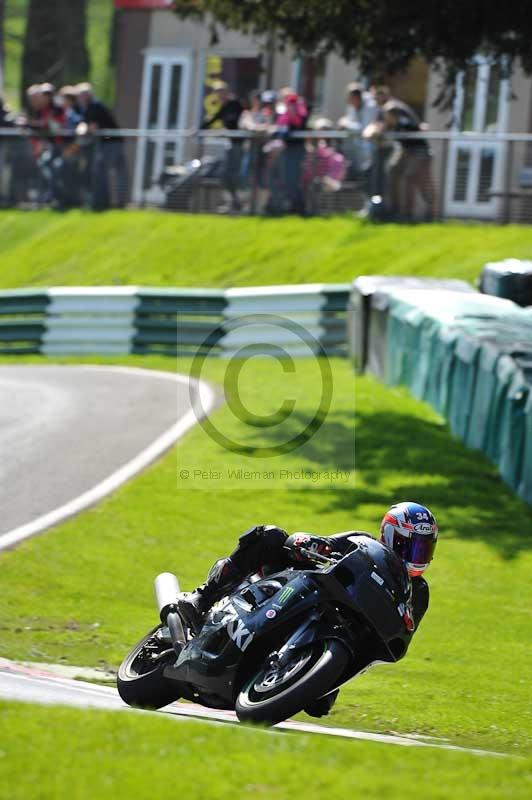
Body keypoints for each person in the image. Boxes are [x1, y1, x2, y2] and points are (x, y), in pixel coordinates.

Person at [177, 501, 438, 717]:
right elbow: (325, 543)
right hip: (309, 591)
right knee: (270, 536)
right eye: (412, 545)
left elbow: (402, 631)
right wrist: (311, 543)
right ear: (389, 535)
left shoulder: (419, 592)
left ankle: (308, 673)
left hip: (346, 638)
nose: (418, 554)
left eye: (424, 547)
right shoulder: (363, 542)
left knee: (320, 705)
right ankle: (203, 596)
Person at [76, 82, 128, 210]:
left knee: (101, 171)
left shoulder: (94, 106)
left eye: (81, 96)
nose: (79, 99)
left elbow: (91, 127)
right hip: (108, 142)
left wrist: (80, 132)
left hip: (111, 142)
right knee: (104, 171)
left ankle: (106, 202)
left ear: (88, 95)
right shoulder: (89, 107)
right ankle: (111, 202)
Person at [202, 80, 244, 213]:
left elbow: (233, 121)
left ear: (226, 92)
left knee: (233, 174)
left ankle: (237, 203)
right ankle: (233, 202)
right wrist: (199, 129)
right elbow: (213, 119)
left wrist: (223, 130)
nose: (218, 95)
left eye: (220, 92)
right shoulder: (224, 106)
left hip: (239, 145)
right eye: (216, 93)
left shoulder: (235, 104)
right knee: (225, 175)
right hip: (230, 144)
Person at [338, 82, 378, 176]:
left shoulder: (371, 106)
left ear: (356, 97)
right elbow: (350, 121)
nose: (349, 101)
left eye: (351, 98)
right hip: (360, 149)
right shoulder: (352, 106)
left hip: (374, 148)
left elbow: (365, 129)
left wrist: (345, 123)